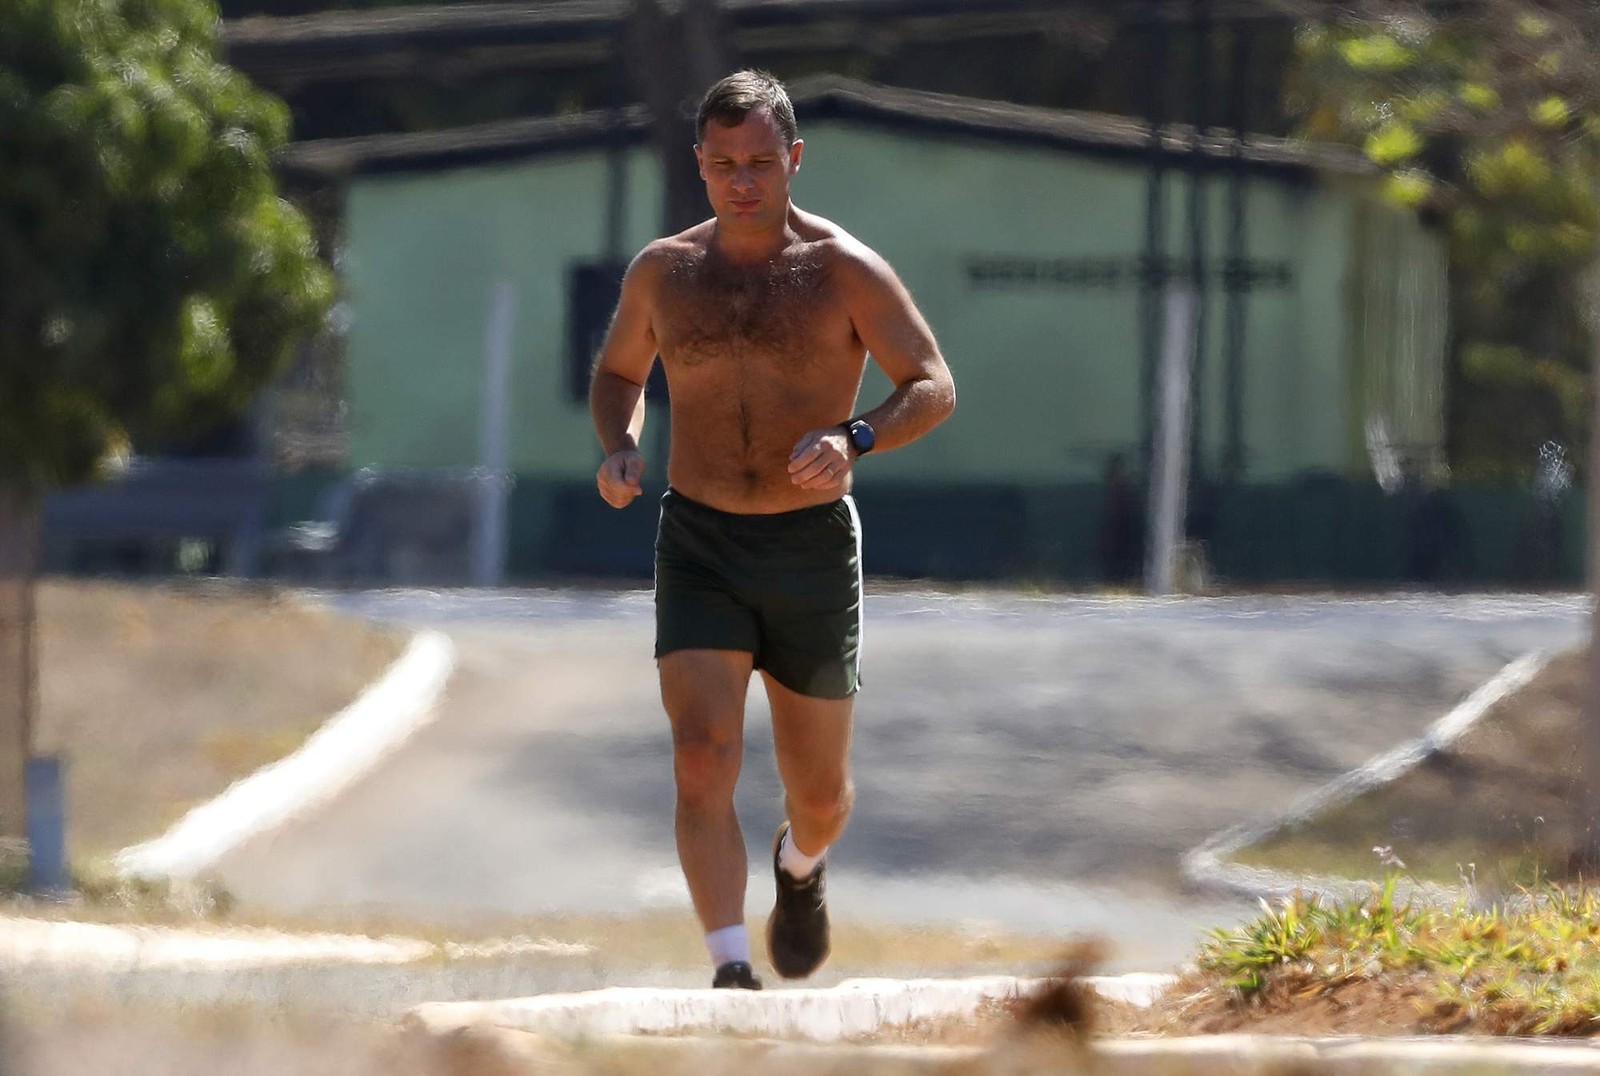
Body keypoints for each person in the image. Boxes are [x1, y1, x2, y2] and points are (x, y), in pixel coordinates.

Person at [589, 69, 956, 990]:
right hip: (701, 539)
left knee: (821, 796)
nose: (743, 182)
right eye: (723, 165)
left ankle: (802, 865)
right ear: (701, 168)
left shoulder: (841, 269)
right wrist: (621, 444)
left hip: (809, 548)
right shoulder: (664, 272)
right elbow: (620, 374)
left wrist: (854, 435)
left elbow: (932, 382)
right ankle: (728, 967)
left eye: (760, 162)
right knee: (700, 755)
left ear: (793, 159)